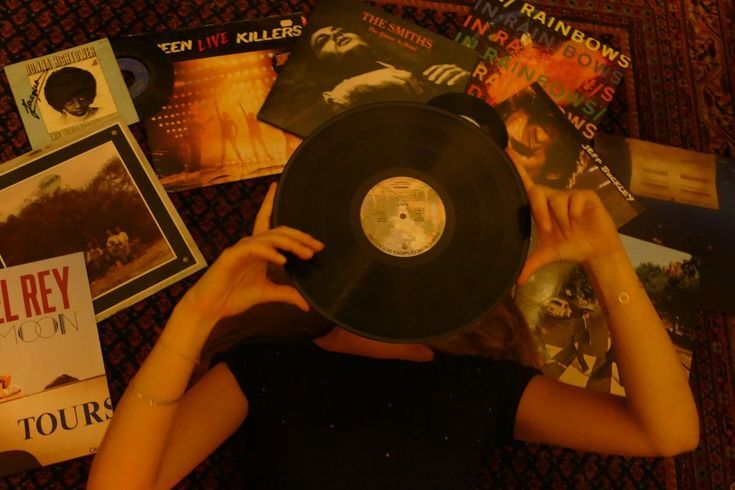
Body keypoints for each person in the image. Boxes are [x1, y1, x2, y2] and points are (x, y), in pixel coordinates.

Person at [87, 183, 699, 489]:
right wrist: (196, 316)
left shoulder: (484, 387)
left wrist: (607, 259)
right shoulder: (266, 368)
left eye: (412, 234)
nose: (396, 242)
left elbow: (667, 432)